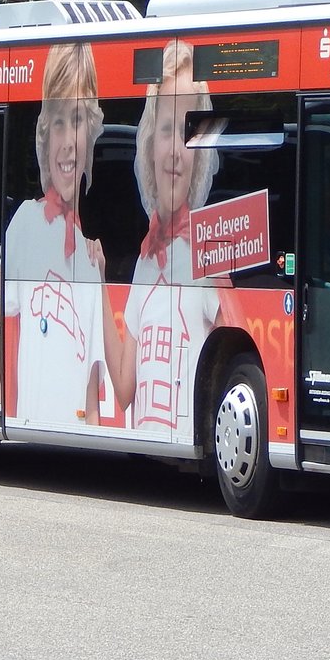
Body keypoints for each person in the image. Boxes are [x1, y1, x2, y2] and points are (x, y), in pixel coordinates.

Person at [0, 42, 119, 429]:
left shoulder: (92, 263)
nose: (69, 142)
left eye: (77, 120)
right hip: (29, 431)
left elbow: (91, 395)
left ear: (91, 135)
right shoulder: (26, 222)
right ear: (45, 134)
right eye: (58, 122)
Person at [104, 40, 226, 434]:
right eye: (166, 130)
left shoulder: (208, 257)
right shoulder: (145, 260)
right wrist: (93, 284)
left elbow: (238, 357)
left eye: (189, 132)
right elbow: (124, 389)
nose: (175, 151)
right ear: (149, 144)